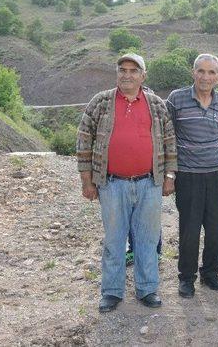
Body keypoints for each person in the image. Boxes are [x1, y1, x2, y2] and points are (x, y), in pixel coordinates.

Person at [76, 53, 177, 312]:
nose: (127, 74)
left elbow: (169, 142)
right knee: (114, 239)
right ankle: (111, 292)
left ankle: (147, 289)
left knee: (148, 238)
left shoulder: (156, 104)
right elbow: (84, 141)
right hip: (112, 184)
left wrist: (169, 177)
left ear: (143, 76)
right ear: (117, 73)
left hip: (149, 183)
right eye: (123, 69)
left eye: (134, 70)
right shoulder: (100, 102)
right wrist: (87, 181)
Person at [166, 53, 218, 298]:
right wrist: (170, 174)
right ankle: (186, 278)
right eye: (201, 71)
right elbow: (167, 138)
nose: (206, 77)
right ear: (193, 72)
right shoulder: (176, 99)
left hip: (216, 174)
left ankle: (211, 273)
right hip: (189, 175)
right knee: (189, 230)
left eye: (211, 72)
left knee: (217, 228)